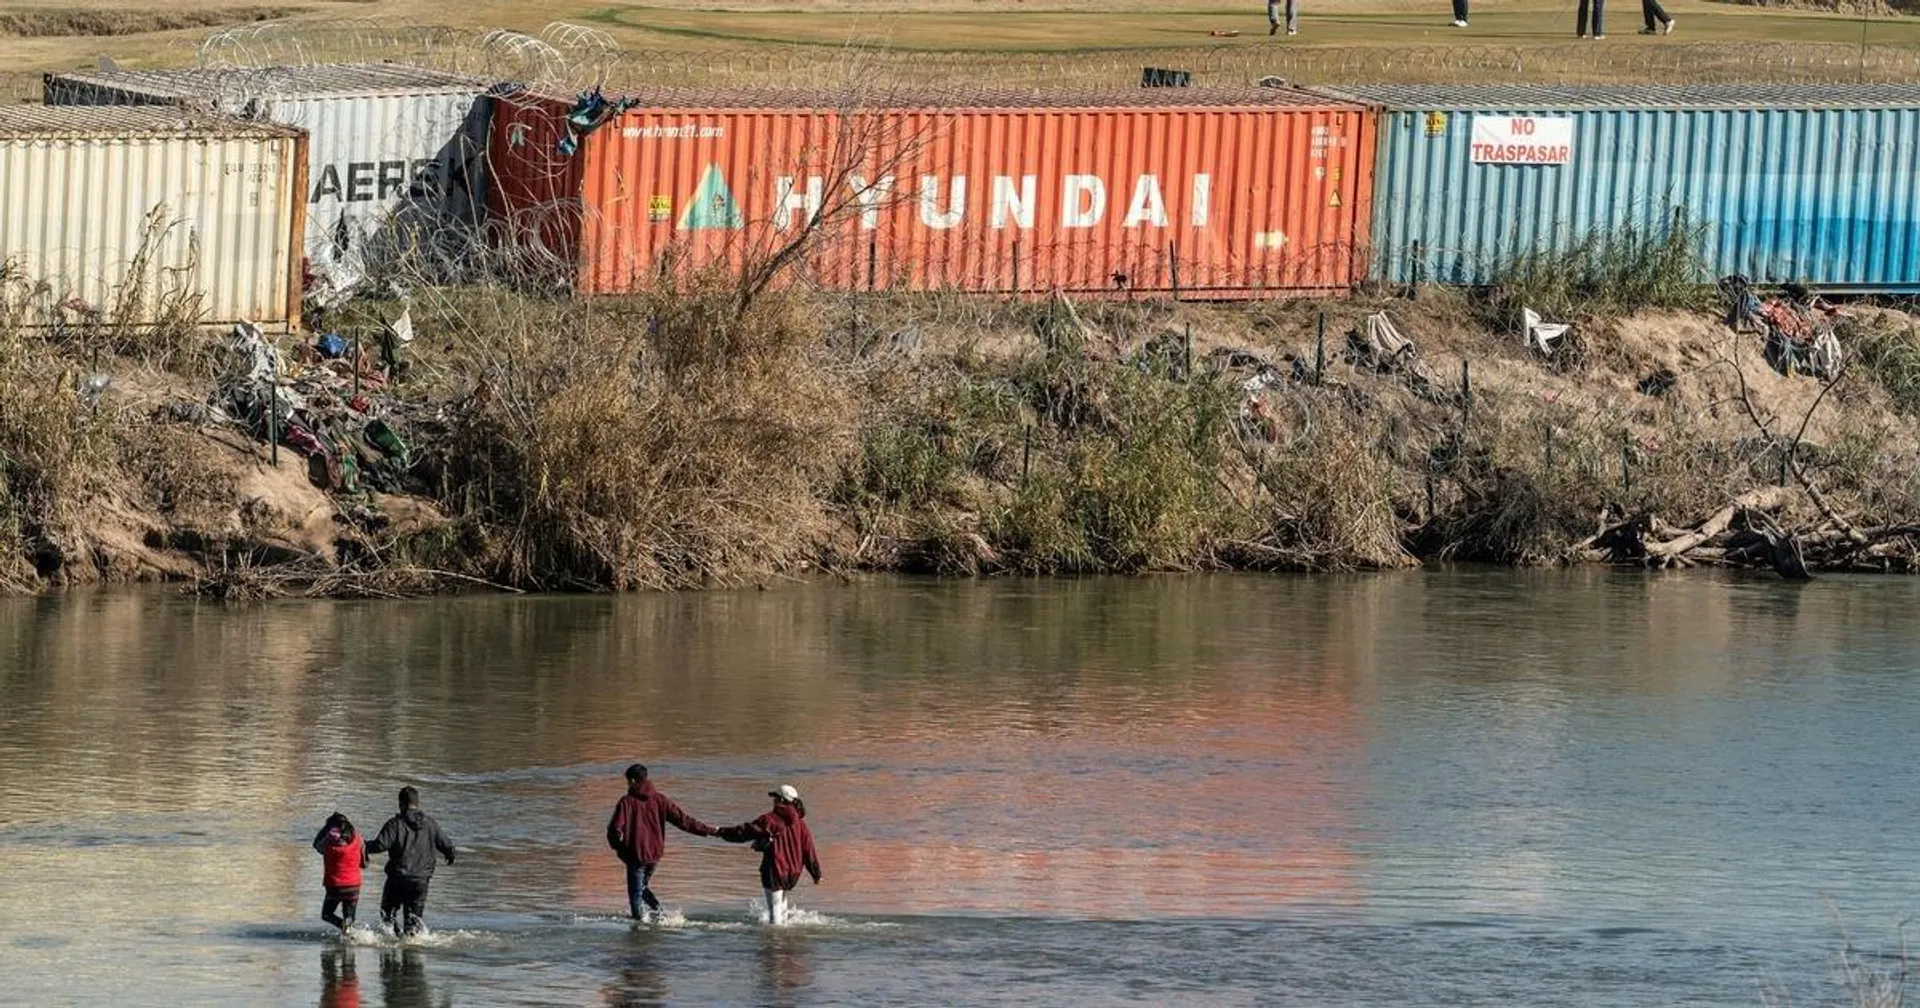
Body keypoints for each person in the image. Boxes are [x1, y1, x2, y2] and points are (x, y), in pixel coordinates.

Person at [606, 764, 717, 920]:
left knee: (635, 893)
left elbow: (614, 830)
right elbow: (683, 821)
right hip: (654, 855)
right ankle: (660, 914)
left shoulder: (626, 802)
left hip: (635, 855)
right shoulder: (660, 800)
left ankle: (641, 927)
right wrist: (709, 830)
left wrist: (621, 850)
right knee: (641, 887)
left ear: (631, 781)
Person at [717, 785, 822, 926]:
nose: (773, 801)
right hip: (793, 873)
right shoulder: (800, 823)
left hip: (775, 870)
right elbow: (808, 848)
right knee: (782, 908)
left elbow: (744, 832)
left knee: (775, 914)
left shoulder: (770, 819)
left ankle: (776, 943)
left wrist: (720, 832)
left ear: (781, 800)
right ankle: (785, 943)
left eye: (775, 798)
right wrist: (816, 874)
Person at [365, 786, 456, 936]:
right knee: (413, 921)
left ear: (400, 804)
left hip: (398, 878)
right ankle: (410, 948)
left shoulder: (394, 824)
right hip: (421, 881)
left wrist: (360, 845)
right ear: (417, 803)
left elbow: (380, 845)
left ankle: (392, 949)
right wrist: (450, 854)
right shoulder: (430, 824)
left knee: (388, 917)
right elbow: (447, 846)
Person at [312, 812, 368, 935]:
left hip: (334, 886)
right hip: (353, 886)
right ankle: (349, 932)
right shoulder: (358, 839)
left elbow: (316, 845)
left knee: (327, 915)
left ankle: (342, 925)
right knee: (349, 918)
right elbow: (364, 864)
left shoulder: (327, 844)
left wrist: (325, 829)